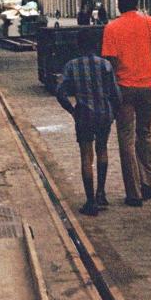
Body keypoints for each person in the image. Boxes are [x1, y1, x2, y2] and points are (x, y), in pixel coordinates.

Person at [101, 0, 151, 206]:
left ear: (119, 3)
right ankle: (147, 183)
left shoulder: (112, 27)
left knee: (126, 138)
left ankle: (134, 193)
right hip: (147, 86)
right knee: (145, 133)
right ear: (137, 1)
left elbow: (110, 62)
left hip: (124, 88)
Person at [57, 28, 121, 215]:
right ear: (96, 45)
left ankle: (90, 202)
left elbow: (60, 92)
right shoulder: (106, 65)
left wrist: (72, 110)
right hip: (104, 114)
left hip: (84, 115)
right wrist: (113, 112)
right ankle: (101, 193)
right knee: (102, 150)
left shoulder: (71, 66)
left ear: (78, 45)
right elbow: (116, 94)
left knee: (86, 156)